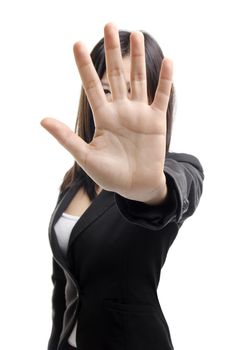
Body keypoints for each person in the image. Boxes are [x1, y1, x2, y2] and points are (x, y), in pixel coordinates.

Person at [40, 22, 205, 350]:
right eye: (105, 92)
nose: (118, 108)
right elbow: (64, 287)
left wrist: (148, 191)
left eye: (132, 94)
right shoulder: (72, 184)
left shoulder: (176, 170)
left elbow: (176, 192)